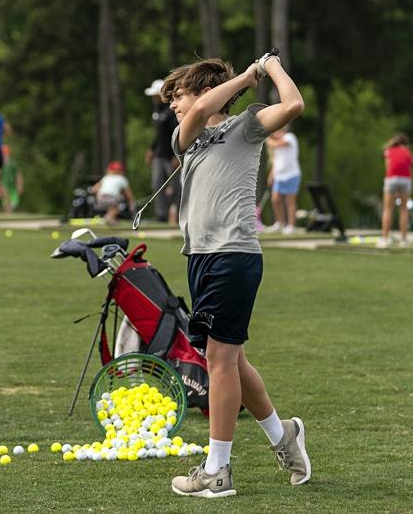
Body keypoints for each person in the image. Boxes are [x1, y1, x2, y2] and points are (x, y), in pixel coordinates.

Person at [162, 54, 309, 498]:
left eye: (178, 95)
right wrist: (247, 77)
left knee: (220, 361)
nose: (173, 105)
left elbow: (295, 104)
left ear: (203, 89)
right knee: (233, 360)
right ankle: (284, 437)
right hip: (200, 257)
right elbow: (203, 111)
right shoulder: (184, 135)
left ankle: (217, 471)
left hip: (234, 254)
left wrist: (272, 67)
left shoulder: (247, 126)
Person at [145, 78, 181, 224]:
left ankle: (178, 213)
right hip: (159, 155)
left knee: (176, 186)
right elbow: (159, 135)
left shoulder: (172, 110)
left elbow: (177, 133)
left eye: (155, 95)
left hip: (171, 155)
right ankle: (161, 215)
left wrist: (177, 154)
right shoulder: (158, 110)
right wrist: (152, 149)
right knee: (157, 185)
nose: (153, 98)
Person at [379, 133, 413, 248]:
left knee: (388, 209)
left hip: (392, 178)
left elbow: (388, 167)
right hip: (405, 180)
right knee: (403, 209)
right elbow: (410, 166)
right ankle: (403, 240)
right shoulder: (407, 152)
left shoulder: (388, 151)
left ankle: (384, 239)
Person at [265, 127, 302, 234]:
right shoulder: (276, 143)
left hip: (291, 175)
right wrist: (271, 175)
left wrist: (267, 139)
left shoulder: (290, 137)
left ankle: (291, 226)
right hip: (279, 176)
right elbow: (276, 162)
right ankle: (280, 223)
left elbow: (279, 144)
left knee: (289, 201)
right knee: (275, 199)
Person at [91, 161, 136, 227]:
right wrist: (132, 202)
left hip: (100, 197)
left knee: (113, 205)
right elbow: (128, 193)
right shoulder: (122, 179)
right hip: (111, 197)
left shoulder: (106, 177)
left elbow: (94, 189)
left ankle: (110, 218)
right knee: (120, 204)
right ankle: (109, 218)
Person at [0, 145, 25, 211]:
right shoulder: (0, 166)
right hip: (5, 189)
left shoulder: (12, 164)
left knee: (13, 204)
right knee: (5, 205)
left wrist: (20, 185)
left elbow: (18, 175)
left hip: (13, 188)